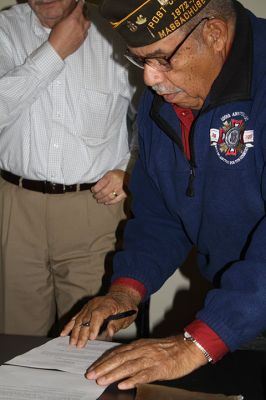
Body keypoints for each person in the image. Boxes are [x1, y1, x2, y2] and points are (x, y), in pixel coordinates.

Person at [61, 0, 266, 390]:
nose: (152, 79)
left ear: (215, 34)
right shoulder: (166, 101)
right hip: (241, 307)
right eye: (142, 62)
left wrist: (192, 346)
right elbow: (161, 214)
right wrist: (126, 290)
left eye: (162, 59)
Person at [0, 0, 142, 336]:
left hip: (93, 208)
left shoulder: (118, 33)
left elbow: (152, 114)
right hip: (14, 208)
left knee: (89, 341)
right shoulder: (4, 30)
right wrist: (54, 52)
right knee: (14, 338)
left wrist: (129, 167)